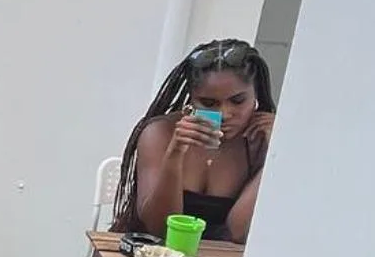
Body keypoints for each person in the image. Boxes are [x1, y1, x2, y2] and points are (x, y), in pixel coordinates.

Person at [113, 38, 277, 245]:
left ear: (256, 95)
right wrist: (175, 154)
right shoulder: (161, 132)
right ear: (191, 98)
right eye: (209, 103)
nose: (224, 114)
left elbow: (237, 233)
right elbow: (158, 228)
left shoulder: (260, 140)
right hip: (145, 248)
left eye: (238, 101)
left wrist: (273, 159)